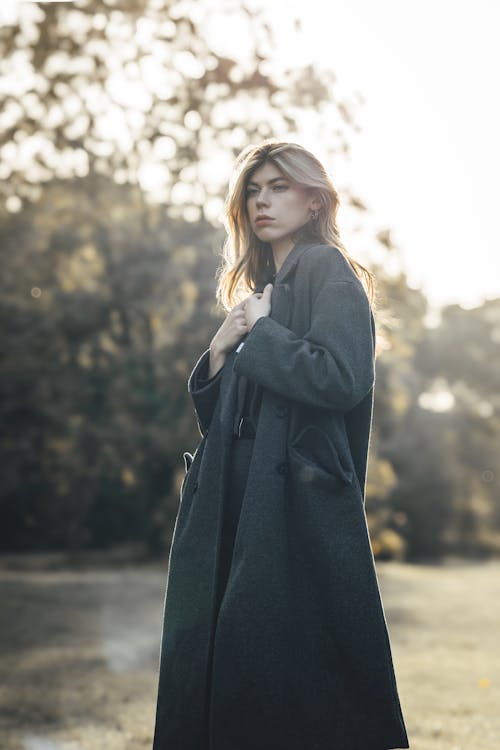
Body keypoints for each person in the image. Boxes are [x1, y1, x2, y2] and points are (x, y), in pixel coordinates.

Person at [151, 140, 410, 750]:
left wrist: (261, 333)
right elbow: (232, 417)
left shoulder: (327, 270)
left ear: (314, 198)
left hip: (289, 501)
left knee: (281, 666)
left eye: (279, 187)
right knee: (220, 653)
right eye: (254, 190)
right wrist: (219, 351)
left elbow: (342, 378)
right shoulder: (266, 289)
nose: (263, 201)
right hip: (232, 492)